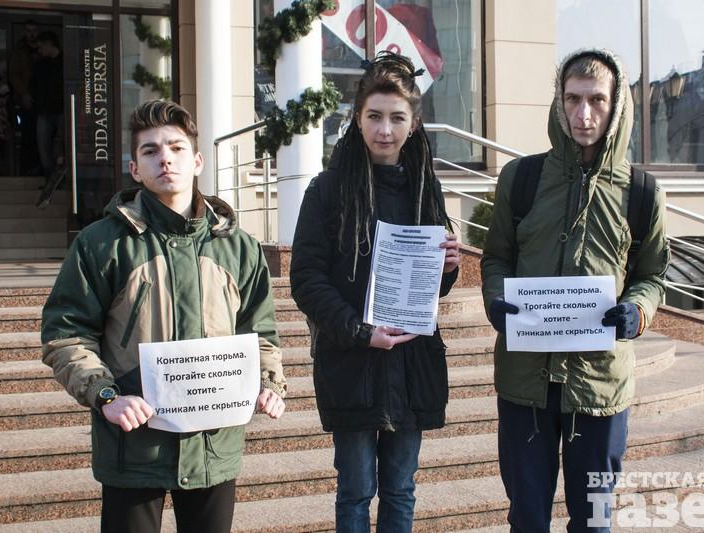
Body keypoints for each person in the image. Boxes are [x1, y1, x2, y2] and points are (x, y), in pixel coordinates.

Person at [41, 100, 288, 533]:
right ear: (135, 169)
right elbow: (67, 334)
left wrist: (267, 383)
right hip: (133, 446)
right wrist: (106, 396)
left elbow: (259, 332)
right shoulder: (102, 244)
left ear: (197, 161)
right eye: (150, 150)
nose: (165, 159)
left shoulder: (239, 247)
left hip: (213, 444)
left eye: (176, 148)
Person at [481, 49, 669, 532]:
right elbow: (496, 257)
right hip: (526, 380)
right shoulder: (521, 179)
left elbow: (652, 276)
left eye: (597, 100)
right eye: (573, 99)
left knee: (594, 520)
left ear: (616, 105)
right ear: (559, 101)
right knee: (527, 518)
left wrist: (637, 310)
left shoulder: (642, 191)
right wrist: (496, 300)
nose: (584, 115)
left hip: (600, 383)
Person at [289, 51, 460, 532]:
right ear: (357, 118)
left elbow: (433, 287)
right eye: (375, 116)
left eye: (397, 118)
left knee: (401, 490)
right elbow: (306, 279)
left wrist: (447, 267)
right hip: (353, 365)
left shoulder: (425, 188)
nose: (385, 130)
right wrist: (360, 331)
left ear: (414, 123)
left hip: (411, 363)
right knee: (356, 490)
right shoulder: (327, 190)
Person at [32, 30, 66, 208]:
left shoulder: (65, 63)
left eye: (41, 47)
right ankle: (49, 180)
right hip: (45, 110)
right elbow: (35, 86)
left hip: (61, 110)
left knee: (60, 146)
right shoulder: (41, 65)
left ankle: (59, 180)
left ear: (49, 44)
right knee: (43, 146)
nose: (39, 51)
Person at [8, 19, 40, 176]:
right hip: (26, 99)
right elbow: (14, 75)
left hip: (42, 100)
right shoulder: (20, 50)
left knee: (42, 137)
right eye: (29, 31)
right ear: (24, 32)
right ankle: (26, 171)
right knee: (28, 136)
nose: (32, 34)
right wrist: (24, 94)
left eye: (34, 30)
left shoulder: (42, 48)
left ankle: (39, 170)